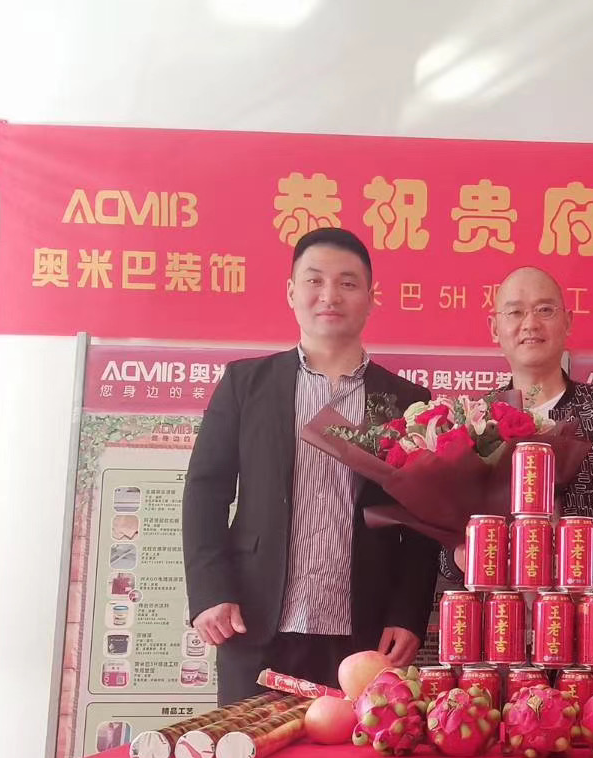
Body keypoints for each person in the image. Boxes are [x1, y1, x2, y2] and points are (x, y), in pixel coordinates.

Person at [183, 227, 439, 705]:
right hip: (253, 621)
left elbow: (421, 520)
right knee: (249, 749)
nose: (330, 295)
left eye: (348, 283)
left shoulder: (404, 400)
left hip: (364, 633)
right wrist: (209, 590)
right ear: (291, 292)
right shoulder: (246, 384)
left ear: (370, 298)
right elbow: (205, 491)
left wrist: (408, 613)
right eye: (314, 280)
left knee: (354, 753)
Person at [446, 266, 593, 662]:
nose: (530, 324)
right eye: (515, 312)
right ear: (494, 328)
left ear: (567, 322)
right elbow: (446, 538)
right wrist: (460, 556)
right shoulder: (473, 423)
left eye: (544, 310)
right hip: (498, 641)